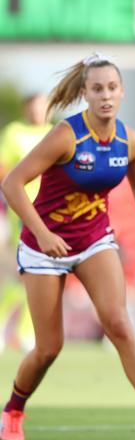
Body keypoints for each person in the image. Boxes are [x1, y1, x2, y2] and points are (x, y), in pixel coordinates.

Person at [0, 53, 135, 440]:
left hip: (94, 239)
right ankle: (13, 410)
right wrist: (42, 234)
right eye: (97, 88)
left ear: (122, 92)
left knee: (117, 322)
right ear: (85, 93)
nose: (106, 95)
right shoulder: (67, 135)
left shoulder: (128, 139)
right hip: (43, 246)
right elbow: (13, 183)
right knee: (49, 347)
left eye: (112, 88)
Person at [0, 93, 52, 352]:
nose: (39, 112)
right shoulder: (14, 133)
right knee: (27, 273)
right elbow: (4, 169)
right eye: (35, 107)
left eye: (43, 107)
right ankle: (11, 328)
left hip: (51, 213)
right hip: (22, 212)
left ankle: (27, 333)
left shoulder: (56, 134)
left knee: (42, 275)